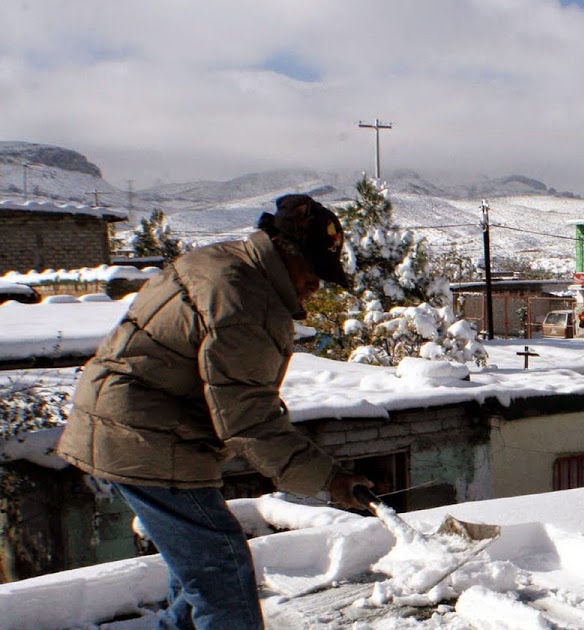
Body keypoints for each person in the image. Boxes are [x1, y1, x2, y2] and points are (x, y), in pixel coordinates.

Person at [57, 193, 373, 629]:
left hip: (143, 427)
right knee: (221, 571)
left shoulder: (230, 265)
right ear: (285, 249)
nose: (317, 285)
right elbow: (248, 417)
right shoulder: (244, 302)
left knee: (199, 579)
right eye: (314, 271)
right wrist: (328, 479)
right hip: (143, 436)